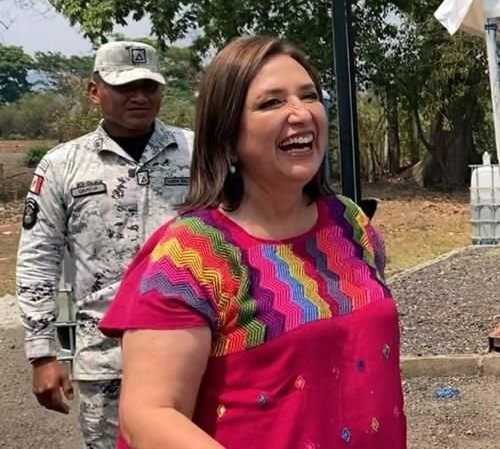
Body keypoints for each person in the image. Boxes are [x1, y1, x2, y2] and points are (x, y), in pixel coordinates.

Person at [99, 36, 405, 448]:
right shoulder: (192, 256)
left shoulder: (350, 225)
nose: (300, 113)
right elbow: (149, 416)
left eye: (309, 96)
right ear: (227, 136)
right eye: (271, 103)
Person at [15, 40, 194, 449]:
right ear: (94, 91)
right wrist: (42, 354)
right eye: (125, 86)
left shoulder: (197, 151)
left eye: (149, 86)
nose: (140, 96)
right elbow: (37, 257)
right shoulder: (64, 164)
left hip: (192, 347)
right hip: (106, 358)